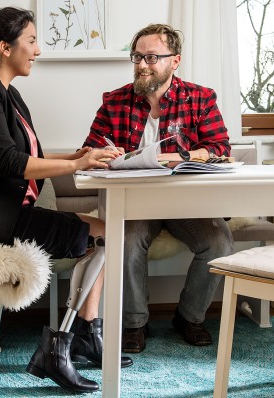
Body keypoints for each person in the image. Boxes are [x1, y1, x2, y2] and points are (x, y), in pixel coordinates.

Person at [0, 4, 131, 392]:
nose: (37, 51)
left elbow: (31, 153)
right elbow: (9, 162)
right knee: (107, 235)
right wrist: (78, 166)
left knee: (110, 232)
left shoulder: (7, 92)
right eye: (32, 41)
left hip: (11, 213)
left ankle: (85, 333)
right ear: (5, 47)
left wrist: (78, 156)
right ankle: (58, 350)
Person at [82, 23, 234, 353]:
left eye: (151, 57)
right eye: (137, 56)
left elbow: (221, 147)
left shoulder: (200, 98)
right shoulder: (114, 102)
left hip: (187, 204)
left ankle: (189, 317)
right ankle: (135, 323)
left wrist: (182, 155)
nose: (141, 64)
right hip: (134, 204)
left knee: (219, 242)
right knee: (126, 240)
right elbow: (87, 151)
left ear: (174, 61)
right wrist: (105, 154)